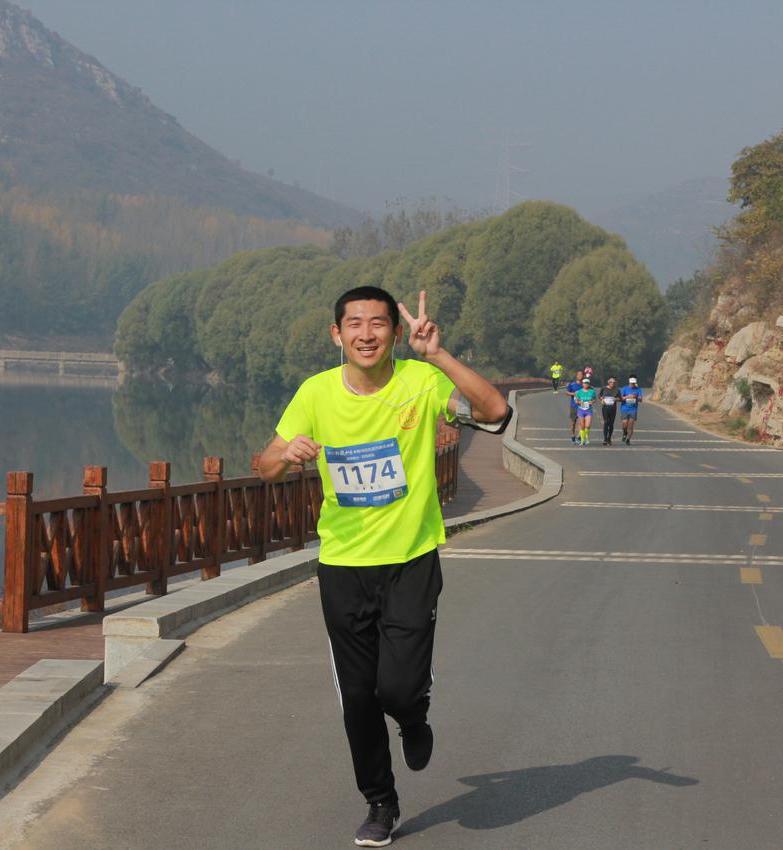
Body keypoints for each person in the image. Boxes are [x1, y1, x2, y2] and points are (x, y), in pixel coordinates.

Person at [255, 286, 509, 847]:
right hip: (343, 567)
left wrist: (438, 355)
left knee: (396, 689)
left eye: (378, 323)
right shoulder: (315, 393)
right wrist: (285, 453)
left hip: (410, 561)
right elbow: (265, 465)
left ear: (395, 332)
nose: (366, 334)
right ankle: (380, 801)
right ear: (336, 334)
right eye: (355, 324)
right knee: (358, 698)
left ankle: (413, 716)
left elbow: (495, 412)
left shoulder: (421, 382)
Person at [620, 374, 643, 445]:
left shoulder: (638, 389)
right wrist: (627, 397)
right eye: (631, 382)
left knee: (630, 425)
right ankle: (624, 432)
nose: (632, 384)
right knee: (624, 423)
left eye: (634, 382)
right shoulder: (624, 388)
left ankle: (628, 439)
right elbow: (621, 398)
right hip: (624, 408)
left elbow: (640, 399)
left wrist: (635, 397)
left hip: (633, 409)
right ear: (629, 381)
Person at [599, 377, 622, 445]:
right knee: (606, 422)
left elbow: (620, 398)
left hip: (613, 408)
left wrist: (616, 399)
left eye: (614, 382)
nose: (612, 383)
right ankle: (605, 439)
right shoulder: (604, 388)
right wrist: (601, 399)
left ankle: (609, 438)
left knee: (611, 424)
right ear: (608, 382)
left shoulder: (617, 390)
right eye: (611, 382)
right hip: (605, 408)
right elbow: (599, 396)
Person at [574, 376, 596, 445]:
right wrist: (579, 402)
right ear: (582, 384)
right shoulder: (579, 392)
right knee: (582, 426)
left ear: (589, 384)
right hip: (581, 410)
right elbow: (576, 400)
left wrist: (592, 402)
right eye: (584, 383)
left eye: (587, 383)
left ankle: (587, 438)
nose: (586, 384)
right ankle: (582, 440)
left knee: (588, 425)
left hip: (588, 410)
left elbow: (594, 399)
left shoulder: (592, 392)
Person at [565, 370, 584, 443]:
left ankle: (579, 436)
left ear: (583, 376)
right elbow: (567, 392)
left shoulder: (584, 385)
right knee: (573, 423)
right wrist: (574, 394)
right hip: (573, 406)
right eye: (579, 374)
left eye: (581, 374)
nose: (580, 376)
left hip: (582, 406)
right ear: (576, 376)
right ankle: (573, 435)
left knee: (581, 422)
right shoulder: (572, 384)